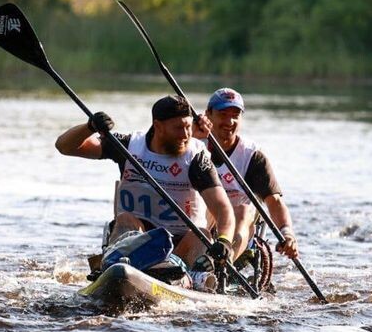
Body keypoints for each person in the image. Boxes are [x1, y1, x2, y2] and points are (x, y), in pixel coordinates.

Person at [54, 95, 235, 286]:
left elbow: (224, 210)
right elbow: (64, 146)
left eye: (189, 127)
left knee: (202, 234)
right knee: (125, 219)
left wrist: (224, 241)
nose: (185, 135)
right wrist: (89, 127)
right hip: (136, 238)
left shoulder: (197, 160)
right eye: (178, 128)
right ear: (158, 126)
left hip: (181, 241)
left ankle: (174, 274)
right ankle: (116, 266)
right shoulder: (129, 146)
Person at [193, 88, 299, 262]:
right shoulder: (193, 146)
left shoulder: (252, 156)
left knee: (242, 209)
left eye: (235, 115)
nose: (230, 121)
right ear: (208, 115)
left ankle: (222, 264)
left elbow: (275, 202)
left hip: (239, 228)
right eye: (223, 114)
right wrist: (190, 132)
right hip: (203, 221)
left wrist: (287, 233)